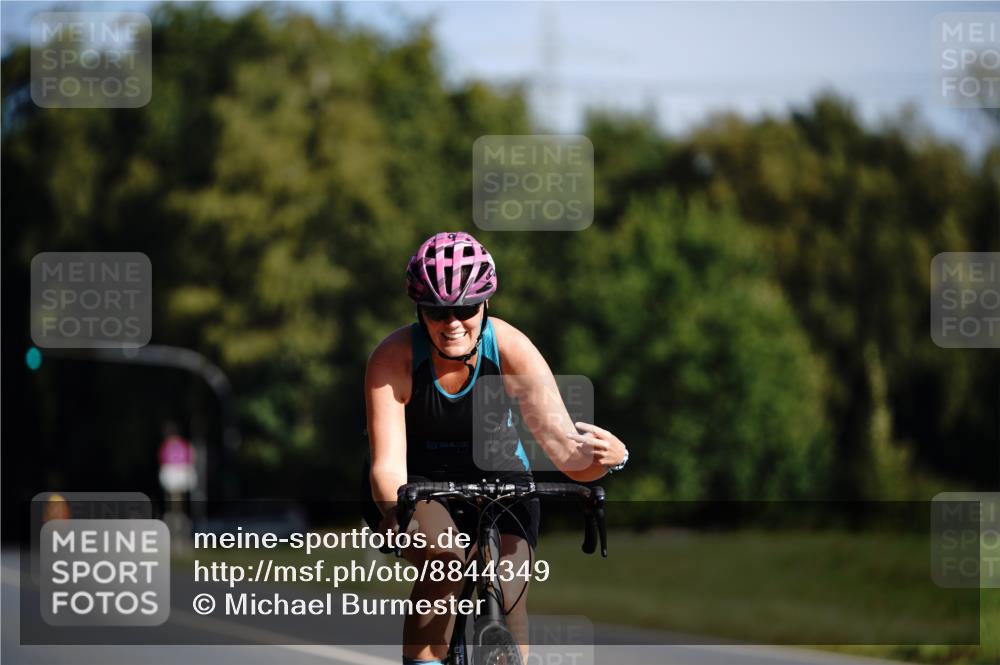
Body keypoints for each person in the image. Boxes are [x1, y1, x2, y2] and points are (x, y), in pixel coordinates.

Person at [363, 231, 628, 665]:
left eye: (465, 308)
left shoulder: (508, 348)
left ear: (485, 304)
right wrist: (396, 506)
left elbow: (565, 451)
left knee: (510, 590)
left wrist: (609, 459)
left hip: (500, 473)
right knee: (444, 560)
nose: (452, 323)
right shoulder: (393, 357)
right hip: (419, 479)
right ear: (419, 310)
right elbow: (387, 465)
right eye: (437, 310)